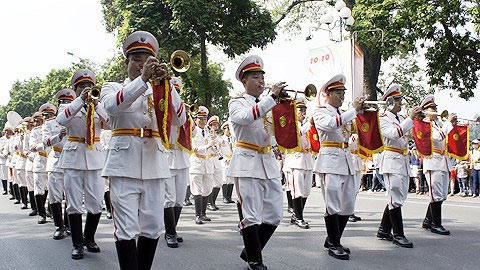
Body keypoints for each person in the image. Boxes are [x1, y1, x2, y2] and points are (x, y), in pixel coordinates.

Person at [100, 30, 185, 270]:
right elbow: (111, 107)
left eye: (147, 59)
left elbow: (180, 119)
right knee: (126, 228)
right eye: (136, 59)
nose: (141, 64)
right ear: (126, 62)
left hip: (155, 166)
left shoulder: (161, 90)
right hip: (123, 165)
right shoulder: (113, 87)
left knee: (152, 227)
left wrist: (168, 86)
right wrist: (143, 81)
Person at [228, 55, 284, 270]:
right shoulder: (237, 103)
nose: (261, 81)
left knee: (274, 215)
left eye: (262, 77)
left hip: (268, 162)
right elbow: (246, 117)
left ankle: (250, 250)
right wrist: (272, 99)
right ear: (244, 81)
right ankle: (255, 260)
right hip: (247, 162)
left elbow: (277, 132)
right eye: (255, 77)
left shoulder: (270, 104)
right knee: (251, 215)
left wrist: (286, 110)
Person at [57, 69, 109, 259]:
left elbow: (111, 123)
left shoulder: (98, 105)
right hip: (74, 158)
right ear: (75, 89)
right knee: (73, 203)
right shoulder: (68, 107)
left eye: (89, 86)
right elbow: (61, 120)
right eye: (81, 87)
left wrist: (97, 104)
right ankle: (77, 243)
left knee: (96, 202)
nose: (86, 89)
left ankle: (89, 238)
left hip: (94, 158)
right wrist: (80, 100)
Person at [312, 73, 365, 260]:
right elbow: (331, 125)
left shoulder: (344, 114)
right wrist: (354, 111)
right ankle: (334, 243)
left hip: (346, 160)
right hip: (329, 160)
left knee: (348, 204)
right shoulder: (321, 111)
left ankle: (332, 239)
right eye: (338, 93)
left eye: (343, 92)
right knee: (333, 203)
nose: (342, 96)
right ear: (328, 94)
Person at [376, 84, 422, 248]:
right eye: (397, 100)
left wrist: (418, 120)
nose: (400, 103)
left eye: (400, 99)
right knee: (395, 197)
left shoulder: (402, 119)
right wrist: (410, 119)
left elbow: (411, 136)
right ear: (389, 101)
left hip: (402, 160)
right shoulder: (382, 119)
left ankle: (384, 229)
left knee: (399, 197)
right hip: (391, 160)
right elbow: (394, 134)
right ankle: (398, 234)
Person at [43, 90, 75, 240]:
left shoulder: (77, 118)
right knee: (55, 196)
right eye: (63, 102)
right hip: (56, 159)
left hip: (72, 160)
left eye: (69, 102)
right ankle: (58, 226)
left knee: (71, 196)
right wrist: (59, 136)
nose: (66, 105)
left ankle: (69, 225)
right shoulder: (50, 123)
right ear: (58, 104)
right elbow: (45, 142)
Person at [420, 95, 453, 235]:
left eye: (435, 108)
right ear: (426, 111)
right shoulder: (425, 124)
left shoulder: (437, 123)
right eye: (432, 108)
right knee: (436, 194)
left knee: (442, 194)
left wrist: (451, 124)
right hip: (433, 161)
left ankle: (428, 220)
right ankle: (436, 224)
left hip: (442, 161)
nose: (435, 110)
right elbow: (439, 136)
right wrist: (448, 123)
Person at [164, 76, 189, 248]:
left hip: (182, 159)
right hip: (166, 158)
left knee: (179, 198)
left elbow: (191, 133)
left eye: (177, 91)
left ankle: (172, 229)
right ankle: (169, 233)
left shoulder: (182, 111)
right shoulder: (161, 108)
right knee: (169, 198)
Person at [283, 97, 314, 229]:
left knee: (306, 191)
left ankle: (297, 214)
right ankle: (298, 217)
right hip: (295, 161)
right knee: (297, 190)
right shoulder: (291, 124)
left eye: (304, 109)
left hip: (307, 160)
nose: (303, 112)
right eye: (300, 109)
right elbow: (297, 133)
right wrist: (310, 124)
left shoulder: (306, 125)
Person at [190, 106, 214, 224]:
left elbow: (212, 147)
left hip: (208, 164)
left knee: (207, 189)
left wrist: (214, 147)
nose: (204, 121)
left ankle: (203, 214)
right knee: (197, 189)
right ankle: (198, 215)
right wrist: (207, 146)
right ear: (195, 119)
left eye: (205, 118)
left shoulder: (209, 131)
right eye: (201, 119)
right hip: (197, 163)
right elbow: (193, 148)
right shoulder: (192, 131)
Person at [29, 111, 49, 224]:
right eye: (36, 121)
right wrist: (45, 144)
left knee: (48, 189)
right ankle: (42, 214)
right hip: (40, 161)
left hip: (51, 161)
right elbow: (32, 146)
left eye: (40, 120)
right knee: (38, 189)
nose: (38, 123)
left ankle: (47, 209)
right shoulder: (34, 132)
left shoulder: (50, 127)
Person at [206, 115, 223, 211]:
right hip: (209, 159)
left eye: (216, 125)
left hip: (217, 159)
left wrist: (216, 138)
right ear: (210, 125)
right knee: (210, 182)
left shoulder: (218, 136)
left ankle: (213, 201)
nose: (215, 126)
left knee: (219, 182)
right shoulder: (207, 135)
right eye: (214, 125)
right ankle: (209, 202)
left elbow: (223, 145)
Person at [220, 121, 235, 204]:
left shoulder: (233, 139)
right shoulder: (222, 139)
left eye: (230, 129)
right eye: (227, 129)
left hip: (232, 160)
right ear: (224, 129)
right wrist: (225, 158)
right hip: (225, 161)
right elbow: (219, 150)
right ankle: (224, 197)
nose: (229, 130)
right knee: (225, 179)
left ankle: (229, 197)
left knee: (231, 180)